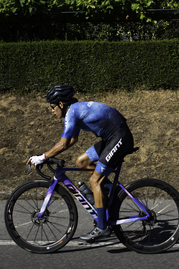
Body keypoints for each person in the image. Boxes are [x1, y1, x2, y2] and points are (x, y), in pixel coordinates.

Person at [27, 84, 134, 242]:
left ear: (61, 104)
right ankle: (108, 194)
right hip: (113, 137)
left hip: (119, 137)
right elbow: (72, 140)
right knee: (81, 161)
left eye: (52, 106)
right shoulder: (74, 110)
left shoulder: (72, 112)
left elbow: (63, 144)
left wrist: (42, 157)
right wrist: (49, 155)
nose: (51, 110)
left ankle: (103, 228)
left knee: (94, 179)